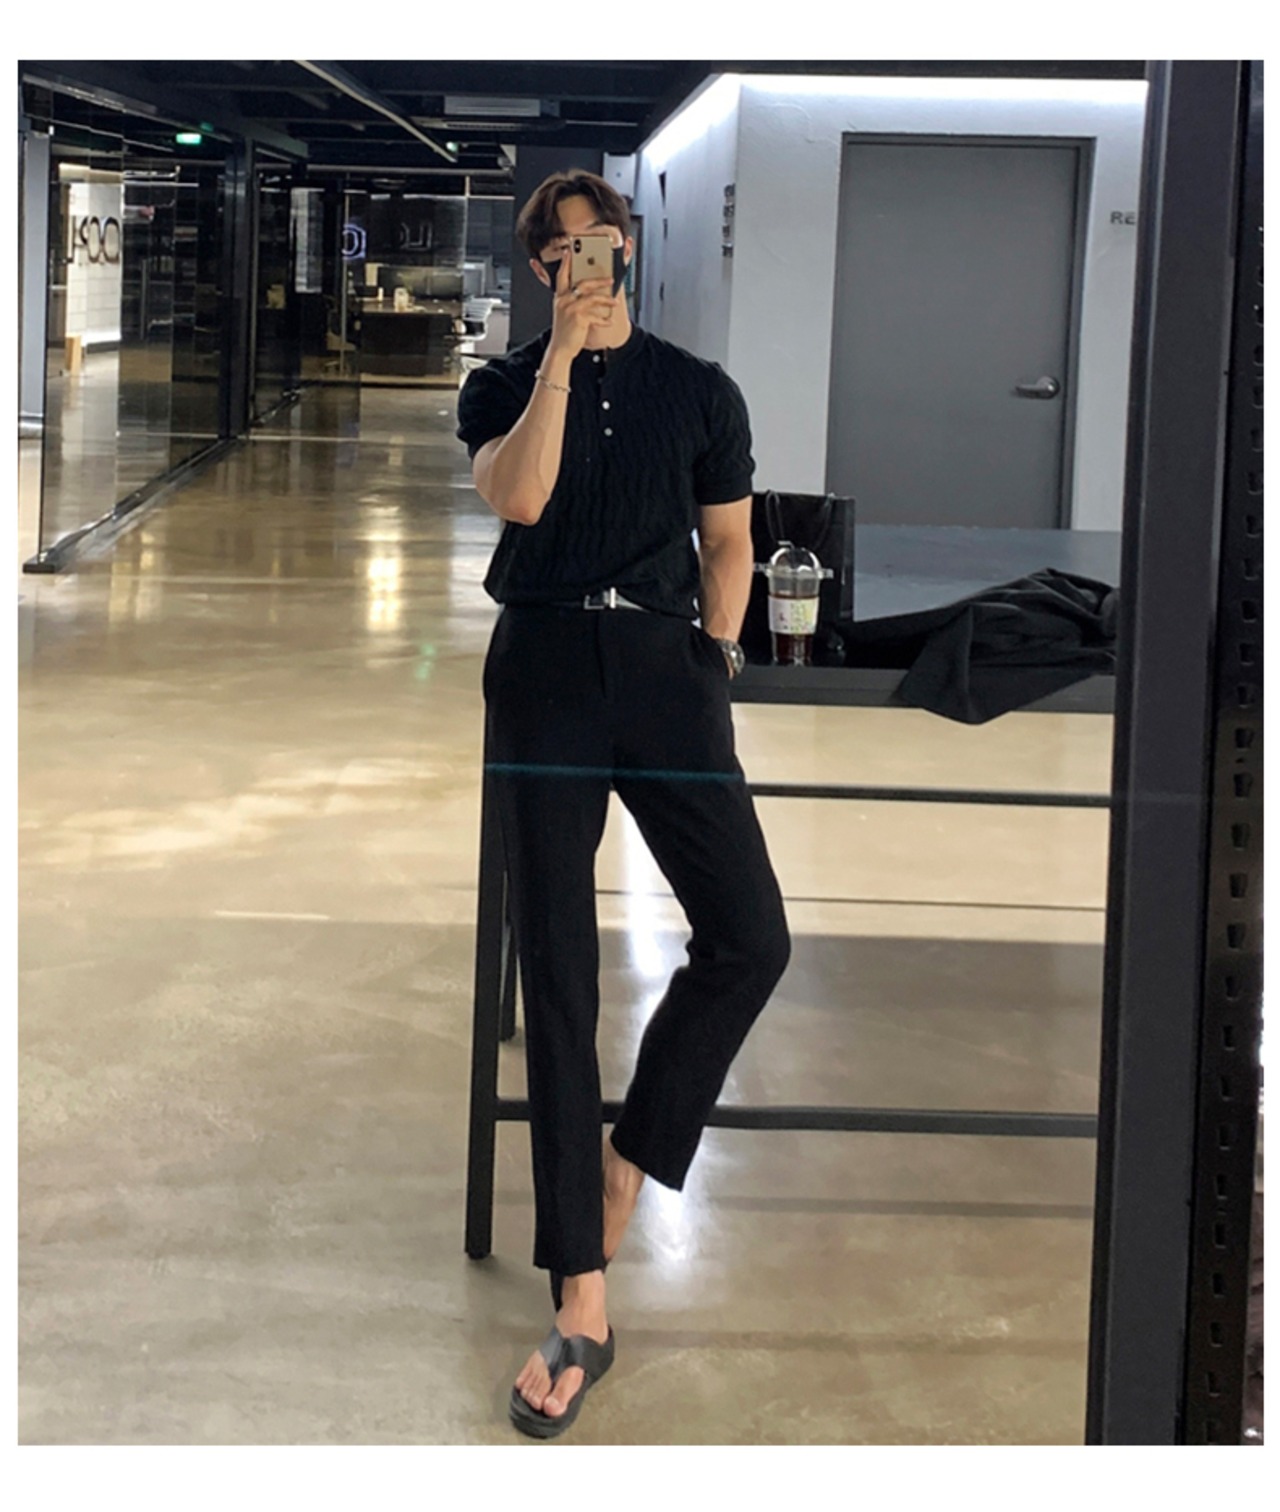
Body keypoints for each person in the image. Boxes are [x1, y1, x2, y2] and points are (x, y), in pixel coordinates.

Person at [456, 169, 791, 1439]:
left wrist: (714, 659)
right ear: (541, 269)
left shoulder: (699, 390)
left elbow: (728, 541)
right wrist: (554, 362)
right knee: (557, 962)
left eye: (602, 244)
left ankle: (625, 1162)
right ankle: (580, 1291)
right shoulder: (500, 385)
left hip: (662, 670)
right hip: (541, 666)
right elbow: (520, 498)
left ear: (629, 252)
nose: (585, 265)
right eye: (563, 252)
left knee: (749, 934)